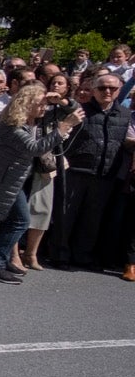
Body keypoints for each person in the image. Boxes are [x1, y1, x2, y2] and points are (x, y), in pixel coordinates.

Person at [0, 82, 80, 283]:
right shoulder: (11, 126)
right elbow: (34, 148)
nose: (44, 108)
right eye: (40, 104)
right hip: (5, 181)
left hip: (15, 180)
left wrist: (61, 100)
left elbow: (74, 109)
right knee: (20, 221)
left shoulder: (32, 120)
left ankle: (1, 260)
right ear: (27, 104)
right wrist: (63, 128)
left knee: (13, 221)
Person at [48, 74, 132, 269]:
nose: (107, 92)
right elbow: (66, 108)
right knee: (65, 215)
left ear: (119, 90)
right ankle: (60, 255)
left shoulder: (125, 114)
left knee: (92, 219)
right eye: (102, 88)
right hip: (76, 171)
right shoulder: (81, 111)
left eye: (112, 88)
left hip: (105, 174)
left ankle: (82, 255)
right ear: (94, 90)